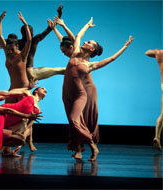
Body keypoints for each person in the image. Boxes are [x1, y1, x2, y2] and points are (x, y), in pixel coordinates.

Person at [57, 17, 133, 161]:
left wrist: (125, 46)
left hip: (80, 94)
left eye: (89, 42)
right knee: (73, 124)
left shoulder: (90, 65)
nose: (85, 42)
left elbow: (110, 59)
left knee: (75, 121)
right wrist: (87, 25)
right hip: (66, 93)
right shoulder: (75, 53)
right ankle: (79, 150)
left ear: (92, 49)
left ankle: (92, 146)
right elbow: (78, 36)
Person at [48, 15, 100, 151]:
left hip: (88, 90)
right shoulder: (74, 54)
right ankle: (78, 147)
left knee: (83, 119)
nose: (64, 54)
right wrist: (55, 29)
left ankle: (83, 144)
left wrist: (62, 26)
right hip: (77, 89)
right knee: (75, 119)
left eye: (65, 51)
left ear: (71, 47)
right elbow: (63, 40)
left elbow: (74, 37)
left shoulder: (78, 55)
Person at [0, 5, 66, 82]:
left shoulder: (15, 44)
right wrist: (59, 15)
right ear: (28, 33)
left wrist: (3, 42)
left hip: (18, 75)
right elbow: (50, 28)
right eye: (31, 32)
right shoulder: (33, 40)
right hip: (29, 72)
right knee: (58, 70)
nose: (32, 34)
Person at [145, 49, 163, 151]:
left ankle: (157, 136)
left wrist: (157, 52)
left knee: (162, 113)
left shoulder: (160, 53)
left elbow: (147, 52)